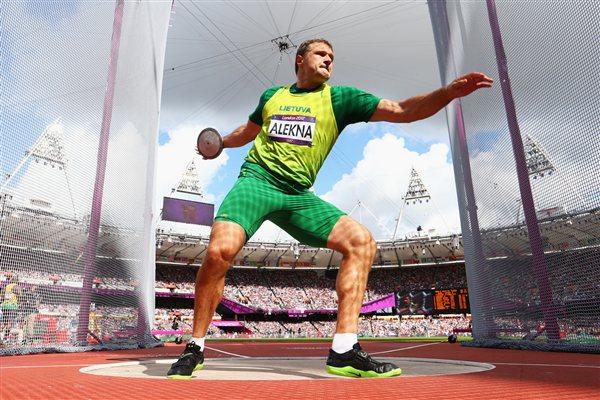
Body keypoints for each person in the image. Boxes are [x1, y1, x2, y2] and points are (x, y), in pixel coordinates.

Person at [167, 38, 492, 379]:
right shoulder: (271, 97)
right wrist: (219, 143)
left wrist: (447, 93)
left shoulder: (341, 98)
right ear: (300, 60)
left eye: (332, 57)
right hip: (256, 183)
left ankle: (344, 350)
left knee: (361, 241)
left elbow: (402, 111)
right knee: (220, 250)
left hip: (297, 195)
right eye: (321, 54)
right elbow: (247, 131)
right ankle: (195, 347)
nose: (328, 60)